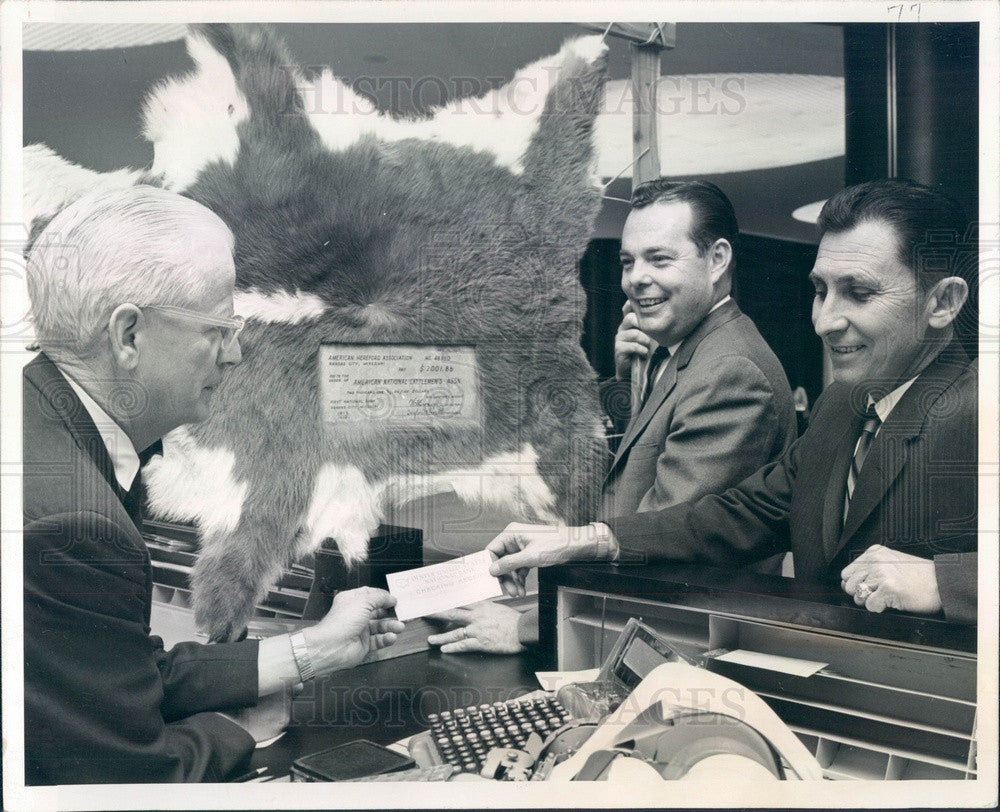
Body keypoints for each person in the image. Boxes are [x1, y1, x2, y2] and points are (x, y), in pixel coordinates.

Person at [22, 186, 406, 784]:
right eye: (219, 329)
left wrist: (314, 649)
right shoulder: (74, 523)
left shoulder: (42, 424)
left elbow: (124, 670)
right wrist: (241, 729)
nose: (234, 354)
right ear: (128, 336)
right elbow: (123, 778)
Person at [486, 179, 978, 625]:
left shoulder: (984, 407)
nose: (825, 321)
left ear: (943, 303)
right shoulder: (840, 408)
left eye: (859, 293)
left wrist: (945, 581)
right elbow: (736, 516)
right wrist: (587, 540)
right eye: (820, 291)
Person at [427, 180, 796, 653]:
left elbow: (663, 545)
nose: (635, 278)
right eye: (628, 261)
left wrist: (523, 629)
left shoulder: (732, 373)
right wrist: (633, 382)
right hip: (627, 624)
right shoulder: (683, 354)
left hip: (671, 646)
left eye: (659, 259)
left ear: (718, 259)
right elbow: (632, 485)